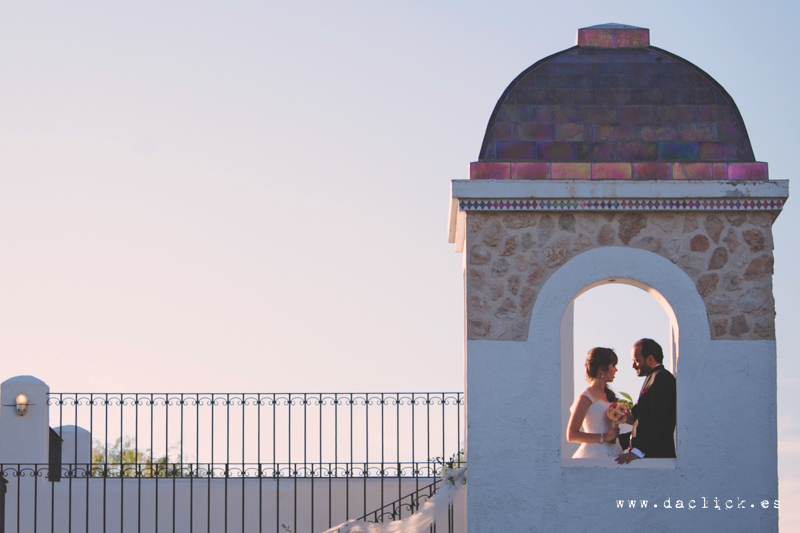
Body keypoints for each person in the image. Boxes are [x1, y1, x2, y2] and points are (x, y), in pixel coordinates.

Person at [615, 338, 676, 464]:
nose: (633, 366)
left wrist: (637, 452)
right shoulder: (652, 378)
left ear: (650, 358)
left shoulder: (662, 377)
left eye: (637, 361)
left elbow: (658, 419)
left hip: (657, 456)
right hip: (649, 456)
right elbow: (640, 419)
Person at [567, 347, 622, 458]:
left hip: (615, 452)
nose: (616, 370)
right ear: (601, 369)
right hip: (594, 454)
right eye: (613, 365)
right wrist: (604, 437)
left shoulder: (610, 397)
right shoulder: (585, 398)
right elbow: (572, 435)